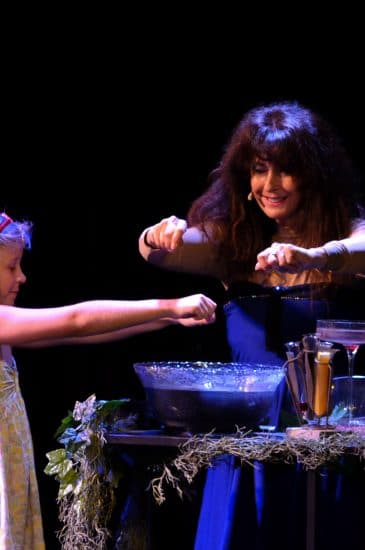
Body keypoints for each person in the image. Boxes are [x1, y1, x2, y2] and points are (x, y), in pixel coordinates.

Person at [138, 101, 365, 549]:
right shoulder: (239, 242)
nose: (270, 185)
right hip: (248, 453)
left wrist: (317, 256)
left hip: (331, 453)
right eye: (260, 170)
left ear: (314, 175)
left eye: (286, 170)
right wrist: (158, 234)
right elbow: (158, 251)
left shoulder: (346, 234)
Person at [0, 211, 216, 549]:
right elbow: (77, 320)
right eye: (12, 267)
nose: (22, 277)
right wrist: (170, 305)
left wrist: (167, 317)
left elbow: (81, 335)